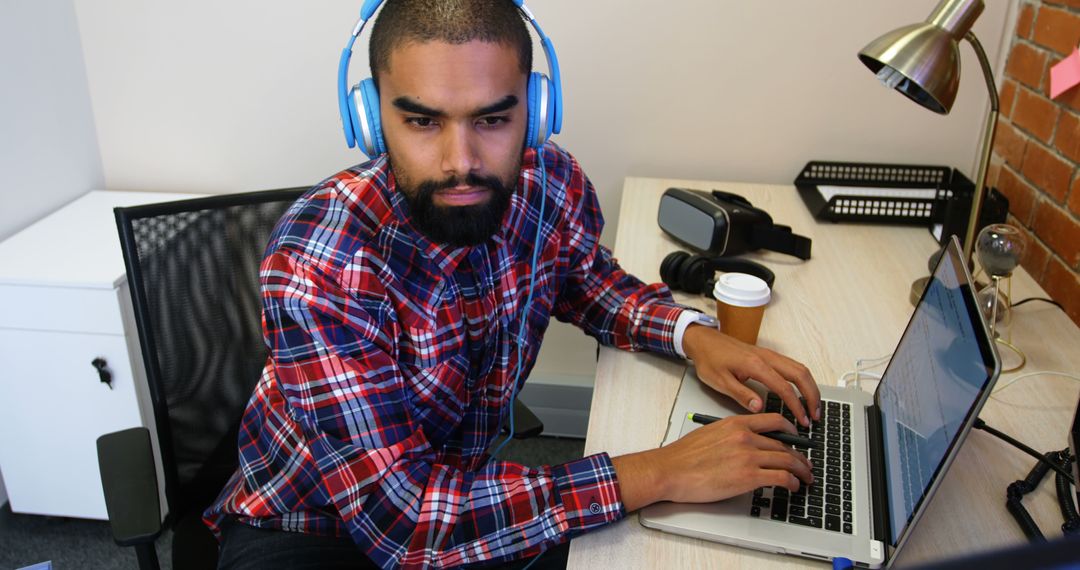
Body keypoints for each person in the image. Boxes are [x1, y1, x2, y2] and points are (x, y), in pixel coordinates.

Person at [205, 1, 821, 568]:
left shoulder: (547, 183)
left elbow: (586, 281)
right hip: (308, 532)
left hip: (450, 493)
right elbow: (405, 522)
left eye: (493, 118)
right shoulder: (321, 265)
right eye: (422, 120)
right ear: (368, 120)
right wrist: (659, 472)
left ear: (537, 110)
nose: (461, 161)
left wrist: (691, 336)